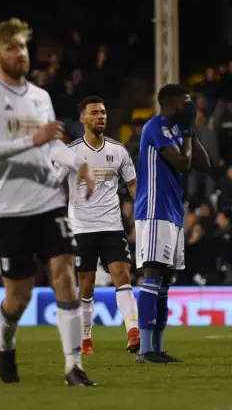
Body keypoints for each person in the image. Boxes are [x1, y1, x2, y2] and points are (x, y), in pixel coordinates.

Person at [0, 18, 96, 385]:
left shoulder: (40, 97)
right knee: (19, 295)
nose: (21, 54)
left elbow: (54, 145)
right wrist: (33, 141)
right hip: (9, 209)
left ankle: (73, 367)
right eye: (12, 48)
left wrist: (80, 163)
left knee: (64, 276)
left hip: (48, 201)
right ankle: (5, 343)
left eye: (24, 47)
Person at [55, 95, 140, 355]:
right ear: (82, 119)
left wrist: (141, 217)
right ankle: (86, 337)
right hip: (81, 227)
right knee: (87, 283)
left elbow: (133, 185)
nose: (100, 116)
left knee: (122, 275)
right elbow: (52, 183)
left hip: (112, 225)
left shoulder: (118, 150)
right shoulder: (71, 152)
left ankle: (133, 331)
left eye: (103, 112)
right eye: (94, 113)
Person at [134, 84, 211, 363]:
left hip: (173, 212)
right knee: (153, 274)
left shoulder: (178, 131)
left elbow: (205, 164)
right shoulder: (155, 128)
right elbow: (182, 164)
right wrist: (187, 134)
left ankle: (158, 348)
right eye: (186, 103)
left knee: (166, 280)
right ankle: (144, 350)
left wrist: (190, 131)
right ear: (172, 104)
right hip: (155, 210)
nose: (190, 107)